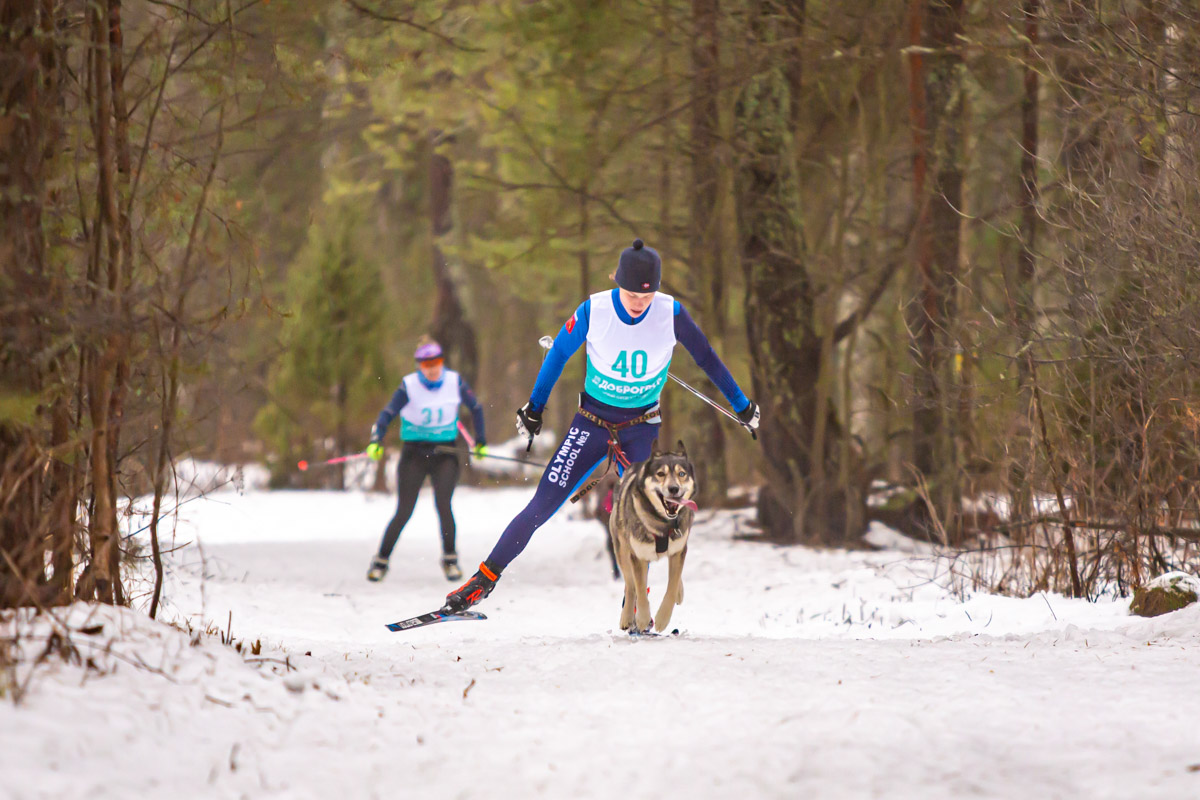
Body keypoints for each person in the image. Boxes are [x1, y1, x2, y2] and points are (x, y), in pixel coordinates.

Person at [442, 239, 759, 612]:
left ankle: (635, 596)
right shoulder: (595, 309)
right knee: (542, 505)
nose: (639, 303)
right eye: (630, 294)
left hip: (641, 427)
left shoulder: (671, 313)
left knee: (645, 514)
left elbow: (707, 358)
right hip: (591, 422)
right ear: (617, 283)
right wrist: (535, 407)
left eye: (647, 295)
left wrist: (742, 405)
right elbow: (559, 353)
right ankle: (483, 581)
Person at [366, 336, 487, 583]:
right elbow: (387, 413)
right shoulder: (408, 386)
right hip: (415, 454)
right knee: (404, 510)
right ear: (419, 365)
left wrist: (481, 440)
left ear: (442, 362)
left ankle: (450, 560)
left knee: (444, 505)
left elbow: (476, 407)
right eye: (426, 364)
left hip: (446, 454)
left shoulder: (454, 381)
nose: (432, 368)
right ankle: (381, 561)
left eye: (437, 362)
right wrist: (376, 439)